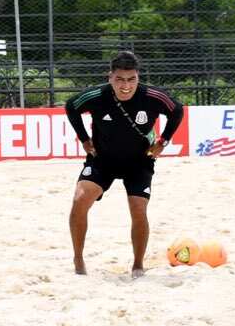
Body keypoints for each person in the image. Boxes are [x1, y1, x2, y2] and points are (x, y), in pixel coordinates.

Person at [65, 52, 184, 276]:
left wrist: (163, 141)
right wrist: (83, 138)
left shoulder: (152, 96)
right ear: (110, 77)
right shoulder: (97, 95)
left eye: (131, 79)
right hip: (103, 161)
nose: (126, 86)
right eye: (120, 79)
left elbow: (177, 110)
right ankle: (78, 260)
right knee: (80, 199)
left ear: (138, 77)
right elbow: (71, 106)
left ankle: (138, 265)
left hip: (139, 163)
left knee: (138, 209)